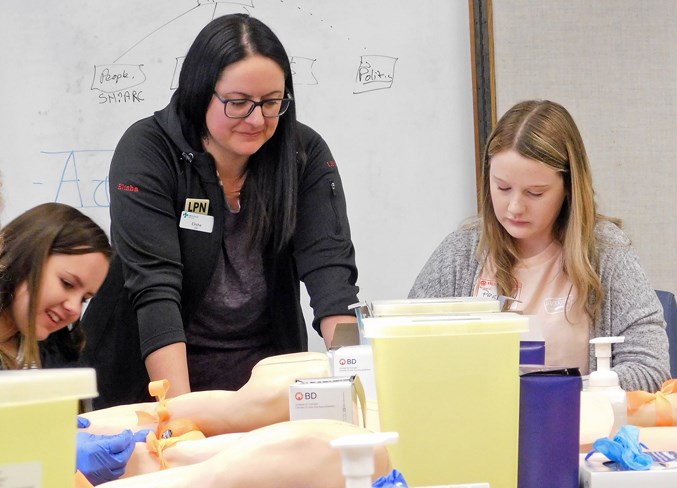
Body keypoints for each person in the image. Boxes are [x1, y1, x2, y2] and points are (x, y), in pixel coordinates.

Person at [80, 13, 359, 409]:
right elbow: (155, 289)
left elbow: (332, 277)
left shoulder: (302, 154)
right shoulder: (148, 150)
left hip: (261, 390)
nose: (257, 119)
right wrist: (180, 416)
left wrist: (356, 377)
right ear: (200, 92)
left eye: (271, 103)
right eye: (238, 103)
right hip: (149, 389)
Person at [409, 100, 670, 392]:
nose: (515, 207)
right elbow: (406, 352)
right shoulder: (460, 253)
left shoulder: (606, 252)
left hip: (576, 427)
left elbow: (651, 368)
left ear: (569, 187)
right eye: (503, 188)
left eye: (535, 193)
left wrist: (558, 394)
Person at [0, 202, 150, 485]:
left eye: (84, 298)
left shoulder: (55, 349)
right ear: (27, 255)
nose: (73, 308)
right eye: (67, 283)